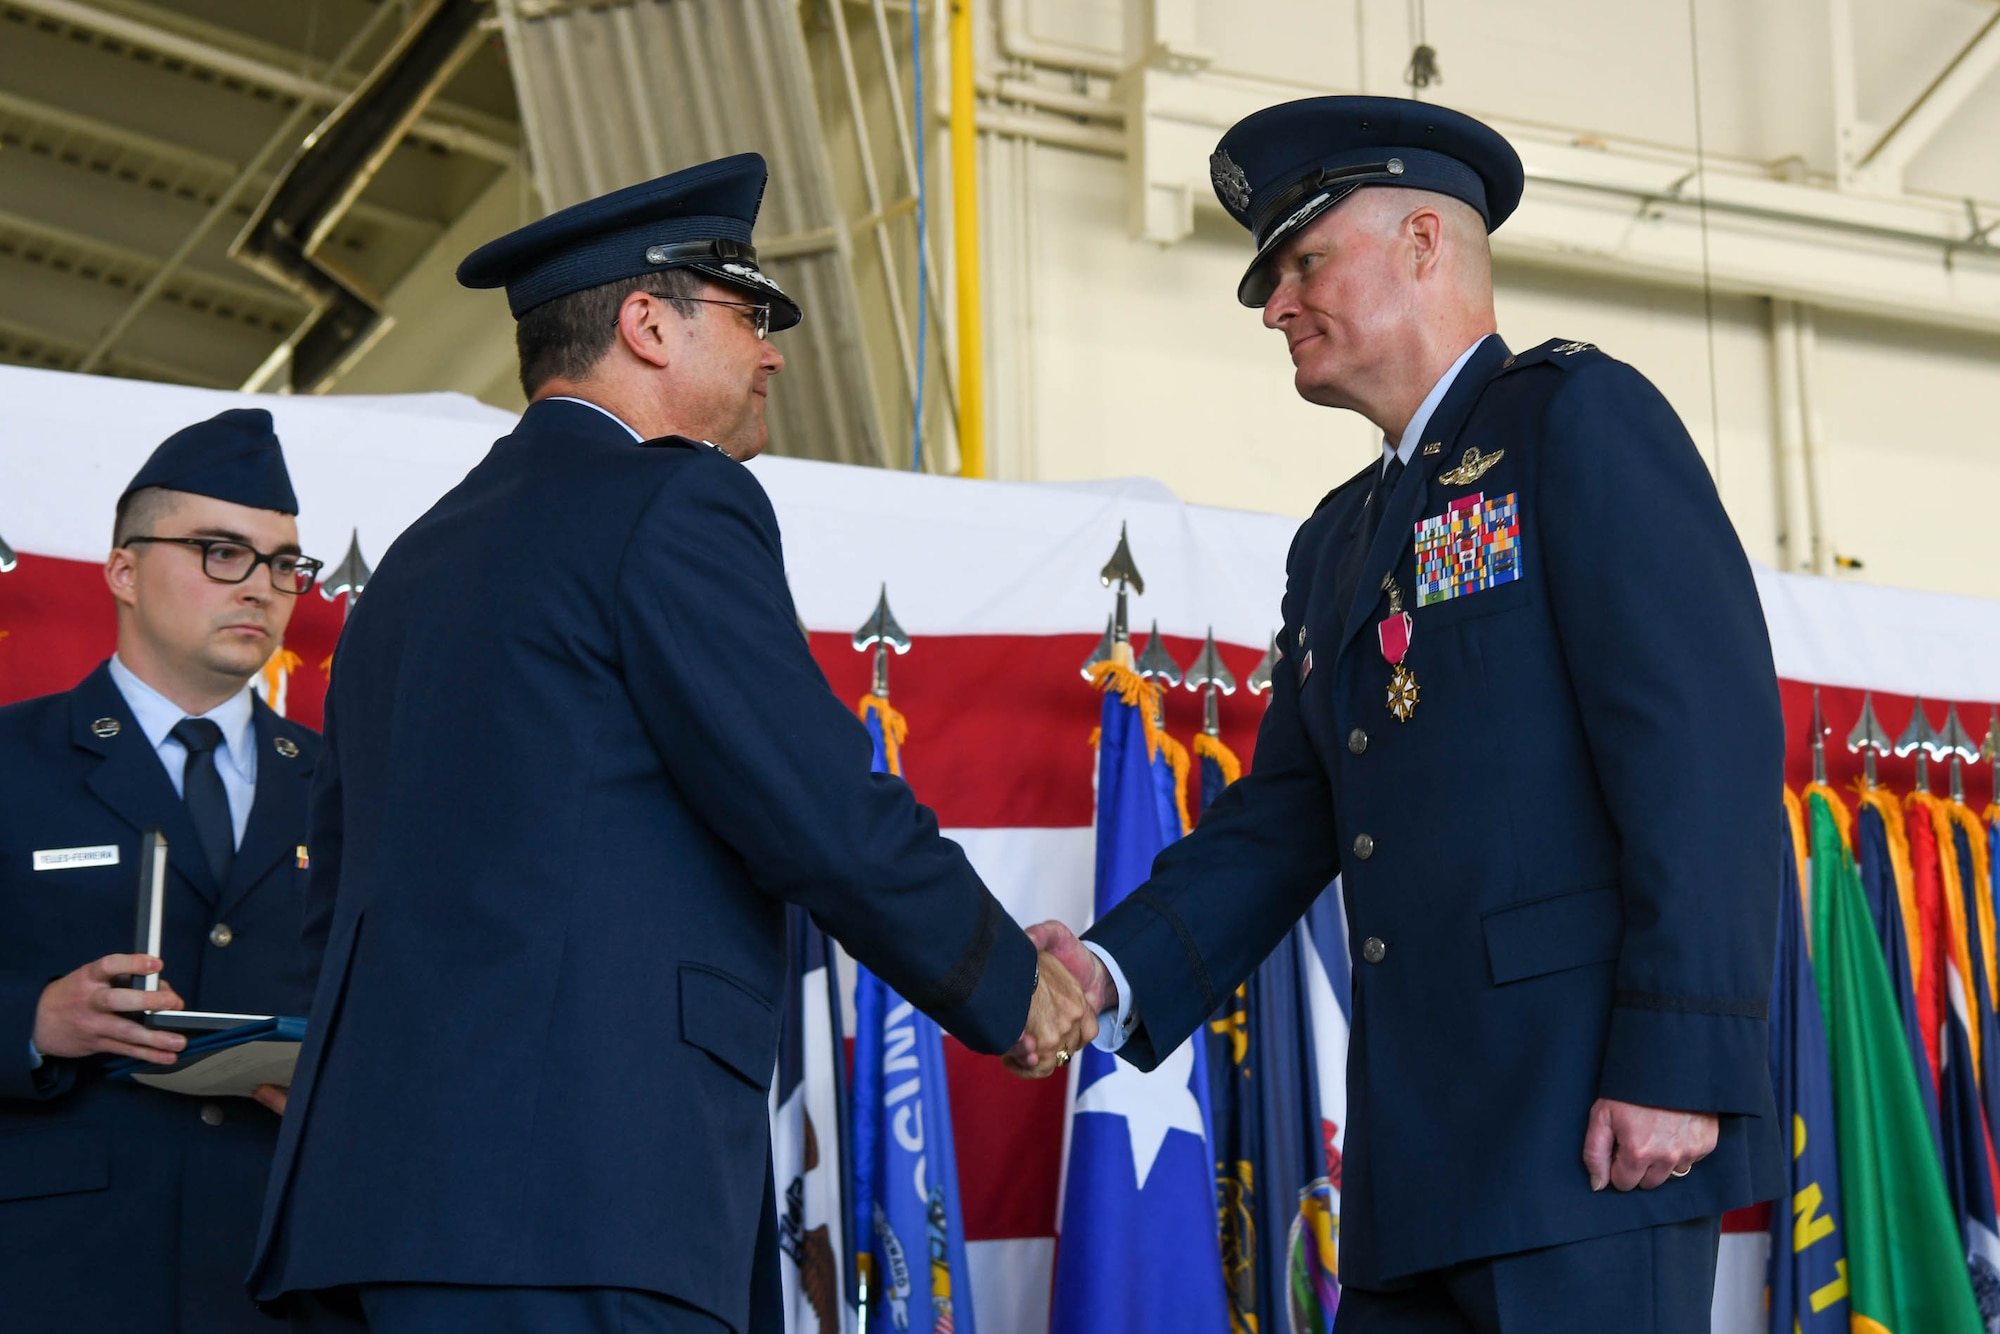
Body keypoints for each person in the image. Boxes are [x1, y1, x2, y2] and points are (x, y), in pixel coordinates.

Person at [249, 152, 1094, 1334]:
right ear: (647, 323)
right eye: (747, 313)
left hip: (377, 1210)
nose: (772, 352)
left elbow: (331, 883)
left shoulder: (413, 566)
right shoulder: (668, 502)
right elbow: (815, 801)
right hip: (577, 1199)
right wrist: (1008, 982)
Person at [1027, 97, 1784, 1332]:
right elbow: (1282, 820)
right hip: (1413, 1169)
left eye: (1302, 262)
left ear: (1425, 241)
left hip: (1587, 1137)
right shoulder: (1336, 540)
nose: (1275, 304)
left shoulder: (1574, 422)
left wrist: (1676, 1061)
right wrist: (1107, 969)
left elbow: (1700, 749)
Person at [0, 408, 325, 1332]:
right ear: (124, 571)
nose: (261, 586)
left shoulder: (348, 783)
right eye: (222, 552)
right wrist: (34, 1020)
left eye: (282, 563)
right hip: (60, 1270)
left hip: (278, 1270)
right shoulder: (12, 760)